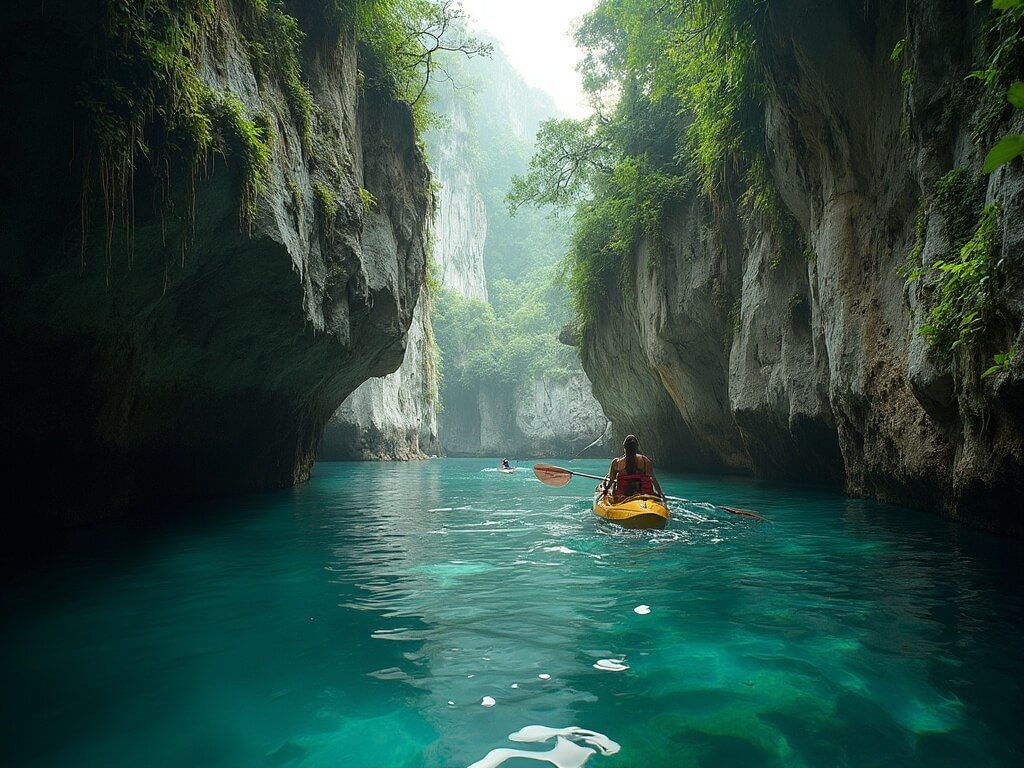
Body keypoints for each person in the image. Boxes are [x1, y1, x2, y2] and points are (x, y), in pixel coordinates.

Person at [602, 435, 664, 500]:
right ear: (637, 448)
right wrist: (660, 494)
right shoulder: (645, 461)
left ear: (624, 448)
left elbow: (611, 480)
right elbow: (653, 479)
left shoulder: (617, 463)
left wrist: (605, 488)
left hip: (623, 497)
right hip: (645, 495)